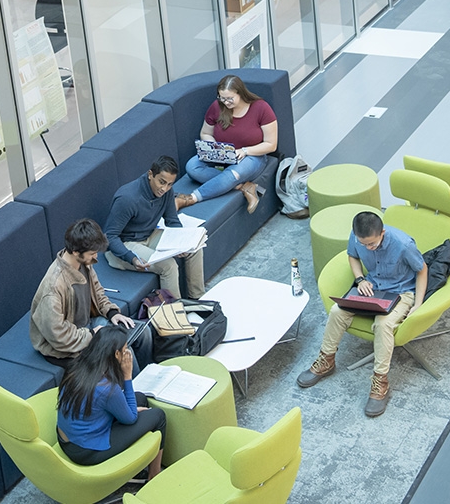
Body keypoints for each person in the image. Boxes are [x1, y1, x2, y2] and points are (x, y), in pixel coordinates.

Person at [296, 211, 428, 417]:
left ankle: (380, 382)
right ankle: (326, 360)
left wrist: (418, 304)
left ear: (382, 233)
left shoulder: (403, 245)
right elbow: (352, 255)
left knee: (383, 324)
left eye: (372, 245)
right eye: (363, 243)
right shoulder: (357, 236)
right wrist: (360, 279)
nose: (367, 247)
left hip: (401, 292)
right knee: (337, 311)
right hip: (373, 286)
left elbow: (422, 270)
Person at [30, 219, 153, 371]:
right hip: (66, 346)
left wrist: (112, 312)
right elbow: (58, 335)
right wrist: (91, 335)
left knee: (143, 333)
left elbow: (98, 292)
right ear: (75, 252)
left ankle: (147, 378)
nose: (95, 257)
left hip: (89, 326)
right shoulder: (53, 288)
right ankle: (130, 391)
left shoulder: (84, 263)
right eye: (92, 253)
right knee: (122, 351)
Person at [57, 326, 166, 480]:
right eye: (125, 349)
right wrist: (127, 376)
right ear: (116, 354)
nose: (128, 353)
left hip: (67, 438)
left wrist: (131, 408)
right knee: (158, 416)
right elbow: (130, 419)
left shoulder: (78, 367)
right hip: (86, 450)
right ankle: (154, 476)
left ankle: (140, 461)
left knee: (140, 398)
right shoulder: (107, 387)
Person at [105, 156, 205, 299]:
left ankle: (197, 299)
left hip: (149, 235)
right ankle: (175, 314)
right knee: (168, 266)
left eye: (170, 184)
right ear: (150, 174)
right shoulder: (127, 198)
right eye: (162, 182)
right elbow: (110, 236)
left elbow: (172, 220)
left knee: (195, 248)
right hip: (125, 245)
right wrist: (131, 258)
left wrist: (181, 243)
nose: (164, 189)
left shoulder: (167, 192)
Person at [175, 75, 278, 214]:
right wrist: (214, 148)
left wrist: (244, 151)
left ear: (240, 94)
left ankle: (191, 198)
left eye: (230, 98)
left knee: (234, 173)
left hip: (252, 156)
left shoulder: (261, 108)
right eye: (222, 98)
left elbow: (271, 144)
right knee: (192, 167)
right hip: (223, 155)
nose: (226, 102)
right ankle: (243, 186)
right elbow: (205, 133)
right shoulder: (217, 107)